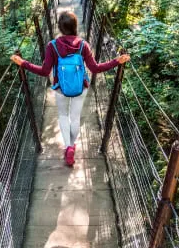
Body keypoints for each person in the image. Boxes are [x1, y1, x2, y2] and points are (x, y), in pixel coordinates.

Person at [11, 12, 130, 167]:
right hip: (80, 87)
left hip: (61, 88)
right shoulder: (83, 45)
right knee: (75, 117)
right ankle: (71, 146)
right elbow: (95, 68)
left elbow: (44, 71)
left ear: (60, 28)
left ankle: (68, 146)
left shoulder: (52, 46)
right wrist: (116, 61)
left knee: (62, 115)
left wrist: (23, 63)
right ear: (75, 26)